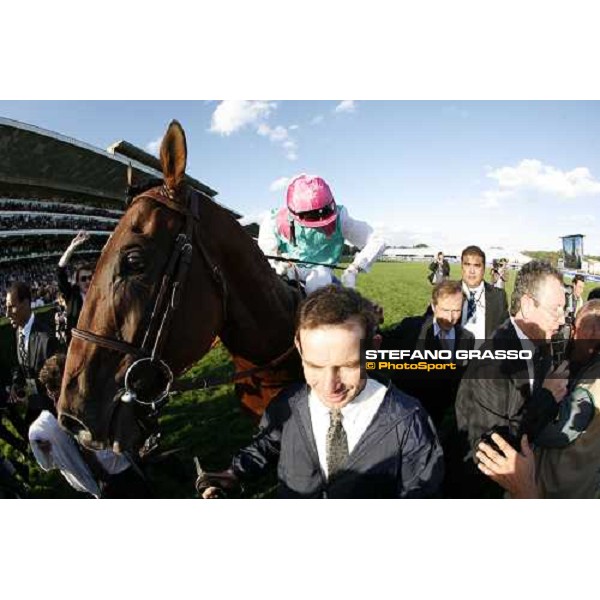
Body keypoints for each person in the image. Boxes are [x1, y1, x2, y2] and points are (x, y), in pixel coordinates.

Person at [198, 285, 444, 499]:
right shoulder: (288, 403)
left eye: (348, 366)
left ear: (373, 349)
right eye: (314, 365)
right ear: (299, 347)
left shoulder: (409, 422)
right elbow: (271, 443)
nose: (329, 387)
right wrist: (234, 472)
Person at [454, 260, 570, 497]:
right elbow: (494, 450)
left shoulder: (540, 346)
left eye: (564, 310)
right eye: (555, 309)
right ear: (527, 305)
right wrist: (547, 398)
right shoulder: (492, 365)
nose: (562, 320)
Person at [477, 299, 600, 499]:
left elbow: (554, 432)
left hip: (557, 487)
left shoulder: (593, 383)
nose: (572, 335)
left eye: (578, 330)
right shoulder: (583, 363)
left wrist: (541, 396)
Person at [28, 354, 153, 498]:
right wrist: (43, 450)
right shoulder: (41, 430)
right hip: (94, 486)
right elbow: (47, 465)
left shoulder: (94, 398)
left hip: (122, 468)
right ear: (51, 393)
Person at [258, 174, 385, 294]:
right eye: (311, 216)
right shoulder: (273, 220)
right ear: (293, 213)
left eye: (325, 212)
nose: (320, 222)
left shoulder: (340, 218)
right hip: (287, 272)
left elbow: (377, 240)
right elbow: (266, 257)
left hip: (321, 278)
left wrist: (354, 269)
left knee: (319, 283)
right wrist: (278, 265)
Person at [382, 280, 474, 428]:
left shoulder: (467, 338)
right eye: (445, 310)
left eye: (456, 311)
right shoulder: (411, 328)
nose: (450, 318)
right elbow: (381, 344)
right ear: (433, 306)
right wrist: (371, 321)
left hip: (438, 414)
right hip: (403, 411)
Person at [5, 281, 57, 430]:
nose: (7, 313)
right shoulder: (18, 333)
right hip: (35, 405)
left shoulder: (46, 338)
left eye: (11, 306)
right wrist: (17, 384)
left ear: (26, 303)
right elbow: (22, 367)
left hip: (52, 410)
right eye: (6, 308)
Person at [460, 245, 509, 345]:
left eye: (477, 265)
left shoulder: (498, 297)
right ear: (462, 266)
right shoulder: (446, 292)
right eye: (467, 264)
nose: (471, 271)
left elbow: (505, 331)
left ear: (483, 268)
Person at [57, 230, 93, 340]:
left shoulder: (100, 295)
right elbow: (60, 272)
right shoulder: (72, 295)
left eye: (90, 278)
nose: (87, 281)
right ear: (77, 282)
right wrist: (71, 248)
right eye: (83, 279)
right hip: (76, 343)